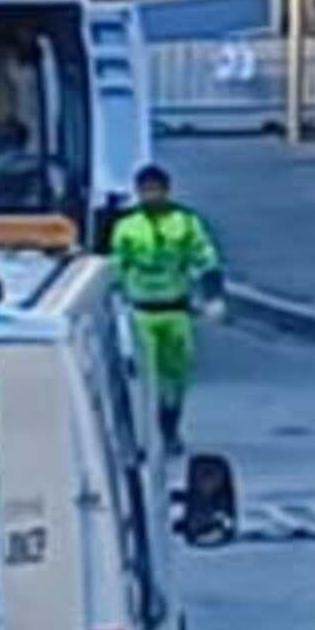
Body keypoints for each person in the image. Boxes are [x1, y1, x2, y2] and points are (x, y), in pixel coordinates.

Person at [108, 162, 224, 456]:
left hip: (176, 311)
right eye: (145, 191)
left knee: (176, 377)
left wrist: (213, 296)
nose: (151, 196)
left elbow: (205, 257)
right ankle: (146, 436)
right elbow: (116, 268)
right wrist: (114, 304)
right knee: (146, 377)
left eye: (155, 190)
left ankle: (170, 426)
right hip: (142, 313)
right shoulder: (127, 227)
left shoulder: (185, 222)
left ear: (166, 190)